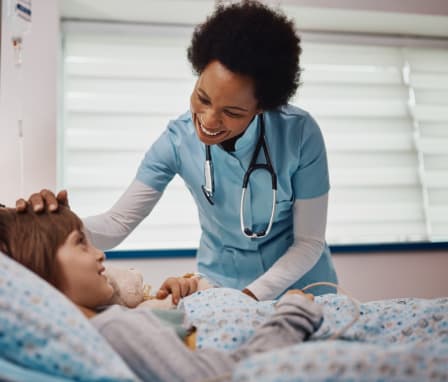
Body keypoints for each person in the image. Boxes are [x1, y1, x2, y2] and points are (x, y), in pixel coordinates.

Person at [17, 0, 337, 301]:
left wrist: (250, 299)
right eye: (203, 97)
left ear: (262, 106)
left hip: (303, 291)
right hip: (221, 287)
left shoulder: (299, 133)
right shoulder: (176, 142)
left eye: (233, 112)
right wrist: (51, 223)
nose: (209, 120)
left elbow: (308, 241)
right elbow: (116, 225)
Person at [0, 204, 323, 382]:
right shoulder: (115, 328)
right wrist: (293, 316)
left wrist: (163, 301)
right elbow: (223, 376)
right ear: (36, 271)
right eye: (79, 242)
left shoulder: (101, 325)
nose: (100, 255)